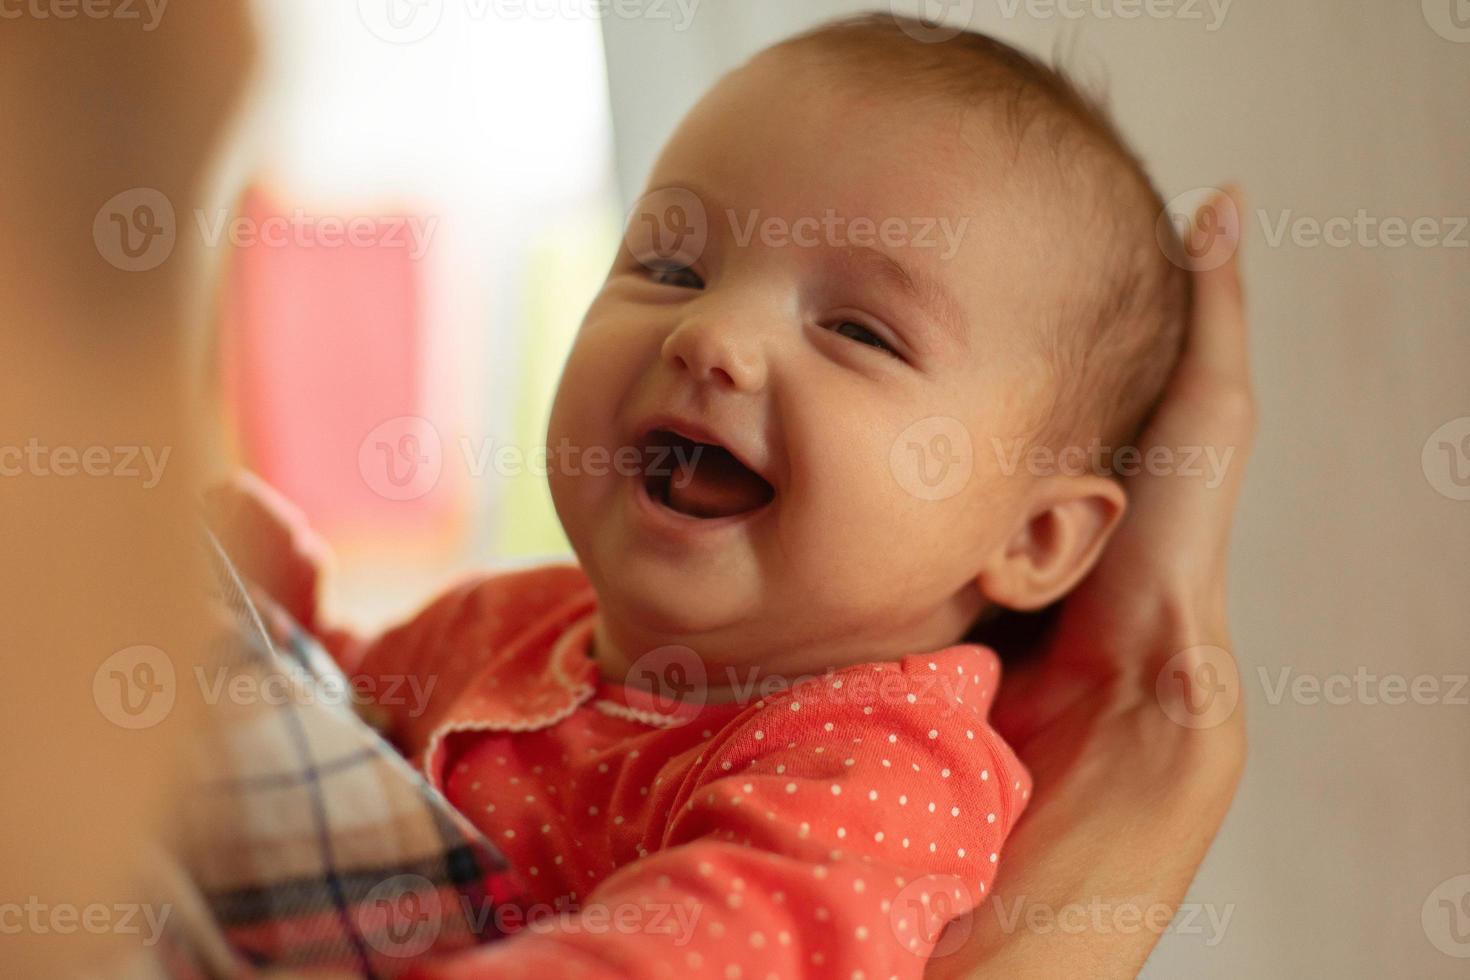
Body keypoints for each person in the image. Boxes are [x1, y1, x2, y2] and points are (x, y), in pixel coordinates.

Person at [0, 7, 1251, 979]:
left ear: (1035, 537)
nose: (716, 337)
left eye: (862, 331)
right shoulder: (509, 624)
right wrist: (236, 589)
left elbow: (716, 947)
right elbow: (326, 737)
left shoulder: (887, 758)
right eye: (668, 261)